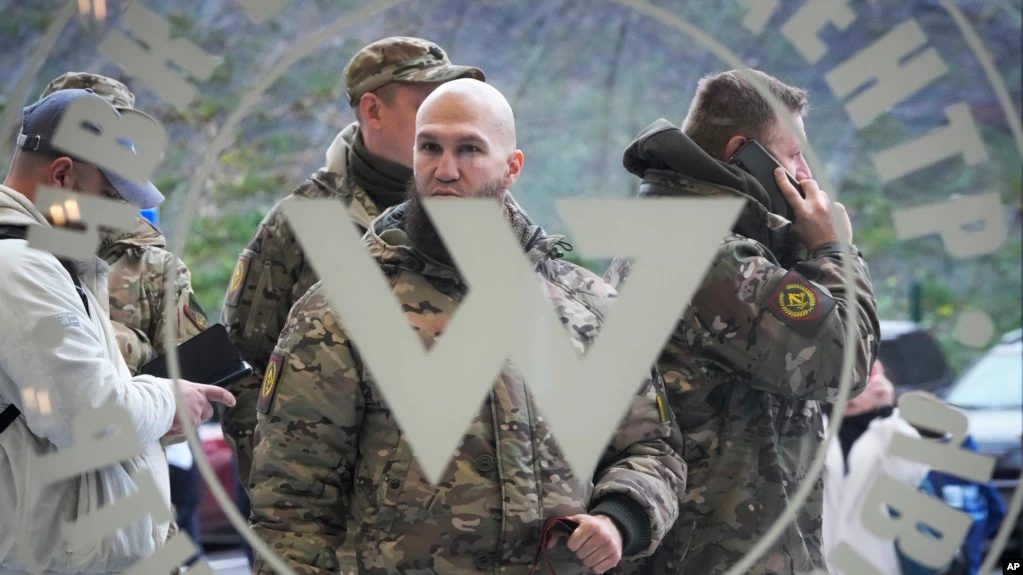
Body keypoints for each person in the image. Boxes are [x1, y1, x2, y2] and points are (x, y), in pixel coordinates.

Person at [247, 78, 686, 574]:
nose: (445, 170)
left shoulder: (588, 306)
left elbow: (652, 448)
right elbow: (292, 510)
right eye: (429, 147)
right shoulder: (338, 313)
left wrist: (619, 519)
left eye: (469, 149)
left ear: (512, 166)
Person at [604, 69, 880, 574]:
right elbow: (845, 364)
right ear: (742, 154)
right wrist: (833, 248)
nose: (805, 175)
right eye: (793, 155)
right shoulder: (712, 256)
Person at [221, 36, 484, 488]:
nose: (442, 116)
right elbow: (241, 368)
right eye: (425, 103)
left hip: (465, 500)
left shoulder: (481, 207)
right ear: (373, 111)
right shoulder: (301, 224)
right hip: (337, 503)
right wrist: (281, 482)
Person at [0, 89, 234, 573]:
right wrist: (168, 397)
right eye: (108, 197)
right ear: (62, 175)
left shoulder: (41, 260)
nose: (117, 218)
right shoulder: (20, 267)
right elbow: (93, 419)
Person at [39, 72, 210, 547]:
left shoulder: (152, 267)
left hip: (136, 508)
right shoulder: (14, 252)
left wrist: (122, 359)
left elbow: (195, 393)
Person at [822, 360, 930, 575]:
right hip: (822, 557)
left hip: (875, 556)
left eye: (861, 383)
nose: (851, 395)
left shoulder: (892, 429)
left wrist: (887, 412)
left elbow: (911, 475)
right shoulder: (814, 429)